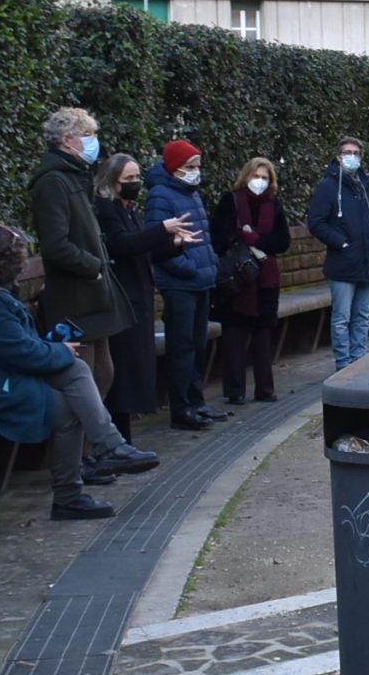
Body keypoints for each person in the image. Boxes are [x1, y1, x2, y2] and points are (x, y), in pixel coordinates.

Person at [0, 222, 160, 522]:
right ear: (8, 261)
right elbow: (23, 354)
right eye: (22, 257)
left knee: (75, 372)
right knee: (69, 405)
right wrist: (59, 350)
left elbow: (16, 347)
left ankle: (107, 451)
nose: (25, 264)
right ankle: (81, 482)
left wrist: (54, 350)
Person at [30, 108, 135, 429]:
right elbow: (56, 244)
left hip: (92, 295)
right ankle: (81, 458)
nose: (94, 143)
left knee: (103, 373)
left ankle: (94, 450)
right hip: (76, 299)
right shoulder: (53, 182)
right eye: (87, 135)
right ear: (66, 140)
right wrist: (93, 267)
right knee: (84, 381)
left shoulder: (75, 177)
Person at [91, 150, 199, 438]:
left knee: (134, 369)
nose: (136, 182)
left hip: (138, 297)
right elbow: (123, 245)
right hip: (123, 299)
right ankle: (118, 438)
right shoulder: (106, 209)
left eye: (138, 177)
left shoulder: (128, 208)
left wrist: (174, 243)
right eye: (129, 178)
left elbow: (143, 252)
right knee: (123, 373)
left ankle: (124, 437)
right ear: (113, 181)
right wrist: (162, 229)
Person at [140, 140, 224, 431]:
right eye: (191, 167)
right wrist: (189, 268)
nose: (196, 172)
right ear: (175, 168)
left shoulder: (191, 193)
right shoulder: (160, 196)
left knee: (197, 345)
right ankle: (182, 408)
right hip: (180, 283)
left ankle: (196, 400)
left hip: (201, 280)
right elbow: (159, 243)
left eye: (198, 166)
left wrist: (210, 265)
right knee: (182, 347)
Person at [209, 156, 292, 404]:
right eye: (256, 176)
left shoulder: (274, 205)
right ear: (246, 176)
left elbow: (282, 241)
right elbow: (218, 237)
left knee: (263, 337)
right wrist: (244, 243)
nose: (260, 182)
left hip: (265, 279)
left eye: (265, 177)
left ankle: (264, 389)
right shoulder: (231, 201)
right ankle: (234, 391)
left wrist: (254, 238)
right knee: (234, 337)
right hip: (237, 279)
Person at [305, 135, 369, 369]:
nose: (352, 157)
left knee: (362, 317)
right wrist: (341, 243)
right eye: (347, 153)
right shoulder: (328, 187)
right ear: (338, 157)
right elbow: (316, 222)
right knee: (342, 318)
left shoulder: (366, 184)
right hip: (342, 263)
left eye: (356, 153)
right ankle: (343, 365)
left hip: (368, 261)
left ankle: (358, 362)